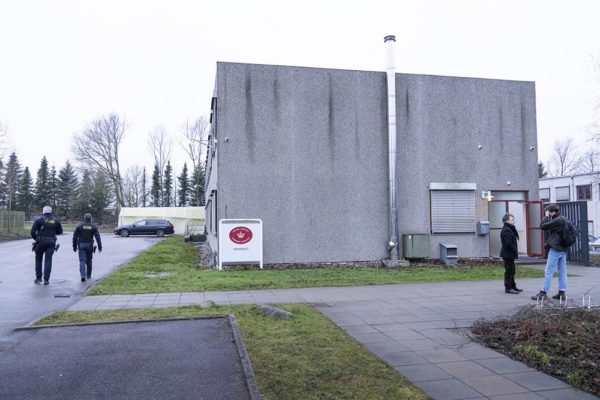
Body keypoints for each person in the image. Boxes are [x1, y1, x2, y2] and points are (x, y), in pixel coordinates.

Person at [531, 204, 568, 301]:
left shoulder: (557, 220)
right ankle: (562, 292)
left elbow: (542, 226)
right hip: (563, 248)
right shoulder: (563, 219)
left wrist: (546, 216)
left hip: (556, 248)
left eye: (548, 211)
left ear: (551, 211)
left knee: (548, 270)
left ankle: (543, 292)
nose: (547, 213)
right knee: (562, 271)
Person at [31, 206, 63, 285]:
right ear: (51, 211)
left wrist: (36, 239)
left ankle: (38, 278)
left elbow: (32, 232)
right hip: (52, 241)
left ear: (43, 211)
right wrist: (52, 233)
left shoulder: (39, 220)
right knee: (48, 260)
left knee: (38, 260)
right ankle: (46, 280)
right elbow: (60, 231)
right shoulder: (56, 220)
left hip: (40, 241)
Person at [72, 213, 102, 282]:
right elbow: (98, 237)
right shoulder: (93, 226)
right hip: (90, 245)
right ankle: (88, 275)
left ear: (84, 218)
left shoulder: (79, 226)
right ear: (91, 218)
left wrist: (74, 246)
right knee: (89, 261)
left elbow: (74, 237)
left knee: (82, 261)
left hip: (81, 245)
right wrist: (100, 246)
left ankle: (82, 275)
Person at [500, 213, 522, 294]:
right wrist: (515, 250)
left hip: (509, 254)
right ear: (507, 221)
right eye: (512, 220)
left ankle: (513, 286)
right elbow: (508, 244)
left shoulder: (509, 229)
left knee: (512, 271)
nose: (514, 221)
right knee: (509, 271)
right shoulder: (506, 230)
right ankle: (508, 288)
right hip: (507, 254)